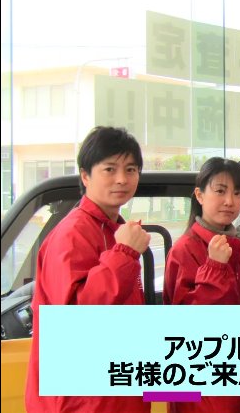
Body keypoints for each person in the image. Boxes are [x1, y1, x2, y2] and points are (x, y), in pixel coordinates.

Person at [25, 126, 151, 413]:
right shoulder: (73, 233)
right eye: (110, 169)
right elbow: (75, 321)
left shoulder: (113, 229)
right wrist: (125, 253)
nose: (122, 179)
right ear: (85, 176)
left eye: (131, 169)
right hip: (83, 401)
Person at [163, 157, 240, 413]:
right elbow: (187, 327)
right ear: (200, 195)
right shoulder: (185, 249)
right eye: (220, 191)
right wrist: (214, 267)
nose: (230, 201)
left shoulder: (238, 248)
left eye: (237, 193)